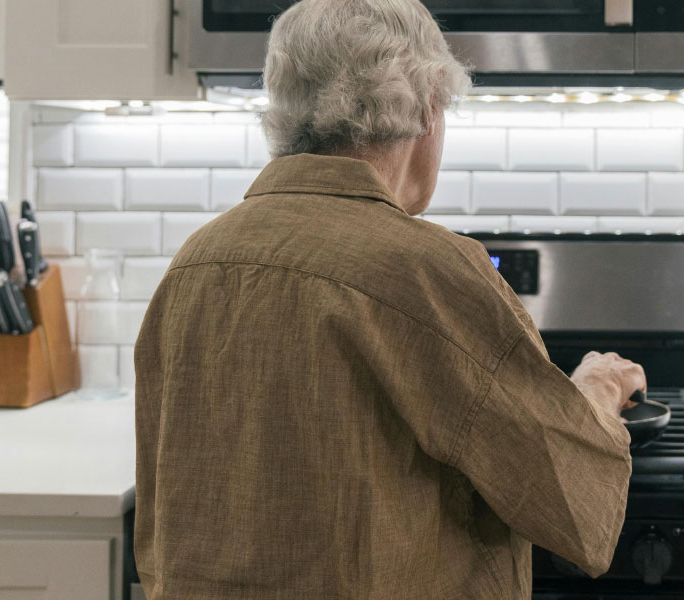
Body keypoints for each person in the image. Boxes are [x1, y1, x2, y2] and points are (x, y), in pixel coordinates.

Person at [133, 0, 643, 597]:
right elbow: (574, 504)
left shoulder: (194, 263)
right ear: (427, 106)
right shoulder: (426, 270)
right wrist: (598, 390)